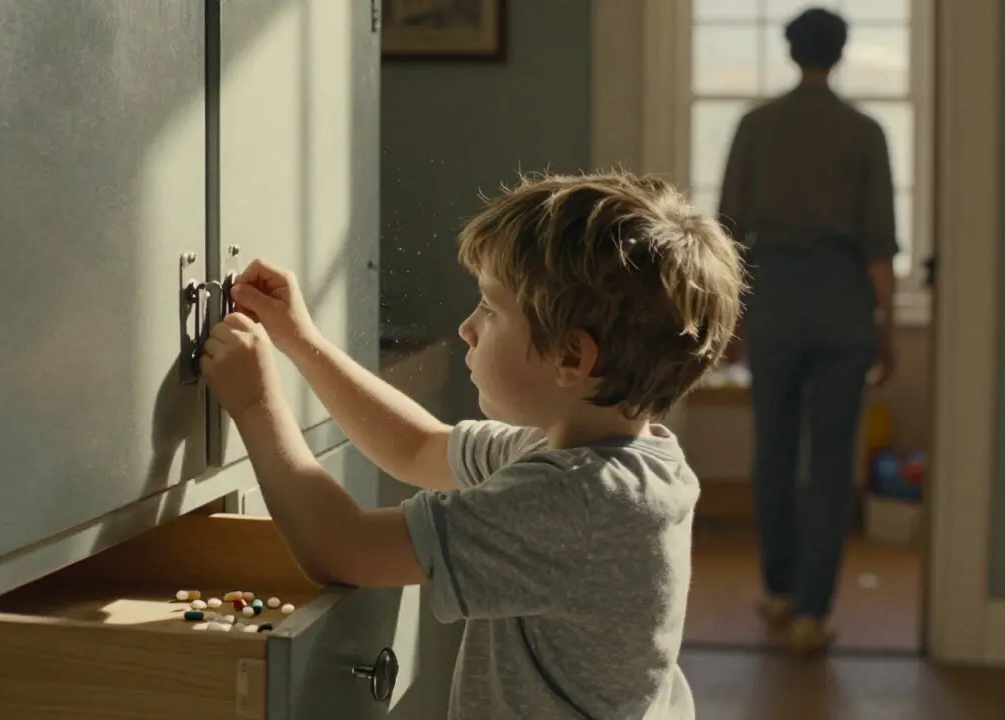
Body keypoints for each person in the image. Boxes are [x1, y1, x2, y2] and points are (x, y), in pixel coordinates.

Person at [200, 170, 744, 719]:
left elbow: (341, 548)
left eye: (490, 307)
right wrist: (301, 339)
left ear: (571, 359)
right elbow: (417, 447)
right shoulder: (610, 459)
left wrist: (255, 403)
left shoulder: (574, 502)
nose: (467, 327)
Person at [717, 7, 898, 653]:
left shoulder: (757, 126)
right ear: (841, 53)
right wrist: (887, 326)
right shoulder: (865, 131)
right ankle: (812, 613)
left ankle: (778, 588)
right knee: (830, 461)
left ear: (791, 51)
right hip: (844, 301)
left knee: (772, 450)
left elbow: (729, 235)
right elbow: (880, 246)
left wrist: (730, 320)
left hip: (775, 299)